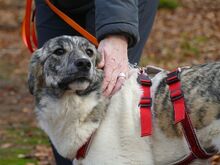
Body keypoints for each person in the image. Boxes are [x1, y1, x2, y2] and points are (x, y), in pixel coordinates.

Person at [34, 0, 159, 164]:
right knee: (55, 96)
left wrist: (116, 32)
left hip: (117, 5)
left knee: (110, 100)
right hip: (54, 5)